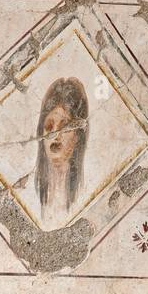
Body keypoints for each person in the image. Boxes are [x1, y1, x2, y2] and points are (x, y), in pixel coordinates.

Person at [34, 77, 88, 220]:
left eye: (65, 127)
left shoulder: (84, 195)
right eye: (49, 126)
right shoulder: (30, 195)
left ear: (77, 136)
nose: (55, 135)